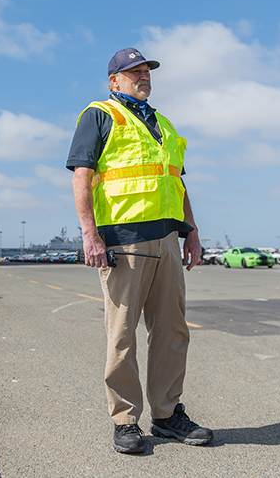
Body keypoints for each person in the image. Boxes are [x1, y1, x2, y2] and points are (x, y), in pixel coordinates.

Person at [67, 48, 213, 454]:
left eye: (147, 71)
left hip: (167, 239)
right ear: (114, 81)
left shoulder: (164, 123)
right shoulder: (99, 115)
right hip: (123, 241)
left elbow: (176, 184)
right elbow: (83, 176)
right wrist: (89, 235)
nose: (143, 77)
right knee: (123, 333)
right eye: (134, 72)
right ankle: (125, 420)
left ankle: (167, 416)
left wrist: (192, 233)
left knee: (172, 330)